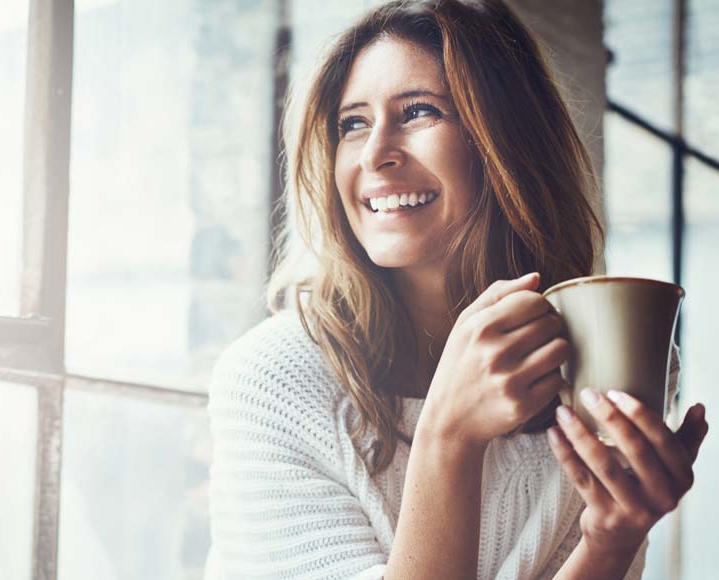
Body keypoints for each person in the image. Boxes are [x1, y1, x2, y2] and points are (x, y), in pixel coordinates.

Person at [204, 1, 710, 579]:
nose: (374, 154)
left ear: (507, 144)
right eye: (353, 123)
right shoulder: (272, 380)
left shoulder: (600, 364)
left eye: (418, 112)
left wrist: (610, 540)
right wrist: (448, 436)